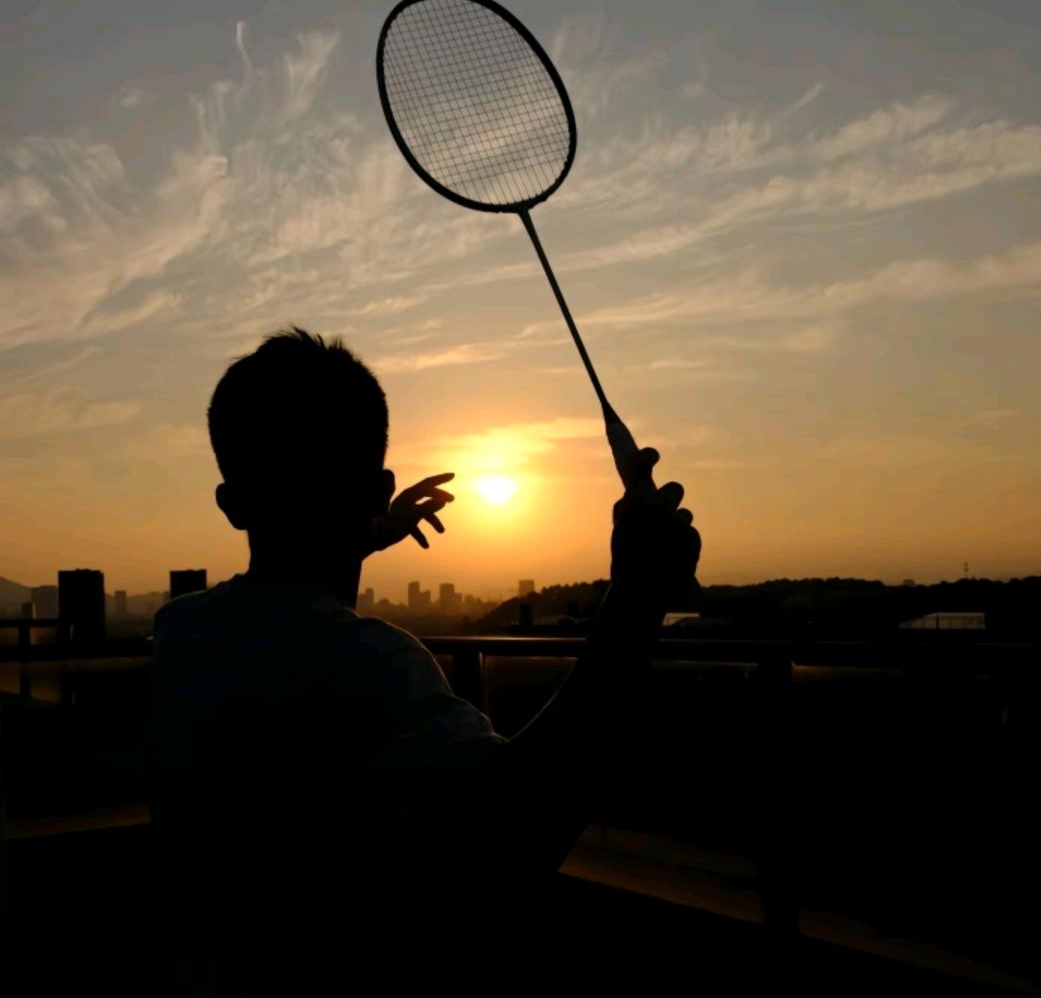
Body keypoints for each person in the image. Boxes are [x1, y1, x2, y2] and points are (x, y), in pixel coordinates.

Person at [147, 326, 700, 996]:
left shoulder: (183, 631)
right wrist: (636, 597)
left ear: (232, 505)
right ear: (381, 490)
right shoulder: (375, 664)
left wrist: (355, 538)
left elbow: (287, 598)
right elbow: (521, 831)